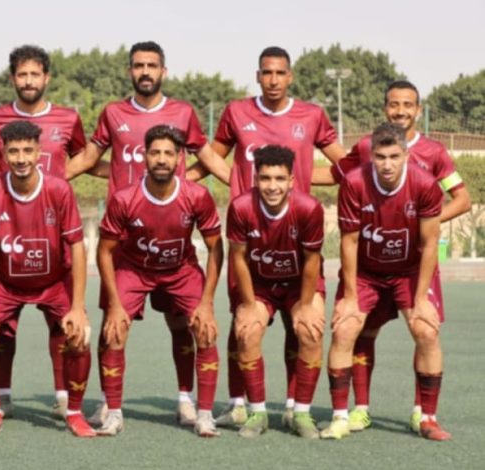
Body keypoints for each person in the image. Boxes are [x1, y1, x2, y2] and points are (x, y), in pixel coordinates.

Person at [66, 41, 220, 427]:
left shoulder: (183, 112)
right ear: (130, 71)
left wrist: (243, 185)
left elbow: (207, 157)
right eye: (138, 66)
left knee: (182, 325)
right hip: (125, 244)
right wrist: (47, 180)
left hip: (173, 243)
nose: (145, 71)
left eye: (152, 65)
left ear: (163, 71)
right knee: (112, 327)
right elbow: (90, 158)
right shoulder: (113, 112)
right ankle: (109, 403)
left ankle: (185, 400)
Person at [190, 46, 346, 428]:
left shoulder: (311, 115)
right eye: (266, 73)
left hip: (293, 230)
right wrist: (230, 180)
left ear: (290, 76)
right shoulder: (236, 111)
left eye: (280, 73)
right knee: (241, 323)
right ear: (257, 76)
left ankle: (294, 405)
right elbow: (213, 155)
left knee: (301, 324)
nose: (273, 80)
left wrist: (304, 179)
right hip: (252, 230)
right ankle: (238, 403)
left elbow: (343, 164)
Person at [318, 81, 471, 433]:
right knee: (355, 329)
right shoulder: (364, 150)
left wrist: (422, 223)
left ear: (419, 110)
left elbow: (461, 200)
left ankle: (423, 414)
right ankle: (356, 411)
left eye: (407, 105)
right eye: (394, 104)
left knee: (425, 330)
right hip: (369, 268)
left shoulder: (433, 157)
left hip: (412, 266)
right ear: (385, 108)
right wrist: (285, 178)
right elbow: (335, 175)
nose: (400, 111)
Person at [0, 45, 87, 417]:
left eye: (34, 74)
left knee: (62, 327)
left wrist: (61, 178)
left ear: (46, 78)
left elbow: (83, 157)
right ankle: (2, 397)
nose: (28, 81)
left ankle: (63, 396)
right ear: (13, 78)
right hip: (10, 235)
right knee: (2, 329)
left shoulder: (68, 118)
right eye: (22, 75)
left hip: (55, 235)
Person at [0, 121, 95, 437]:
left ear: (39, 153)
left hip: (54, 282)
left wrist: (78, 307)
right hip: (5, 284)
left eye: (27, 150)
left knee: (79, 335)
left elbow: (77, 246)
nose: (21, 158)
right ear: (3, 155)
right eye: (13, 152)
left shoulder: (59, 189)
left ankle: (74, 412)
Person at [96, 125, 224, 437]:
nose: (162, 159)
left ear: (180, 158)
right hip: (133, 269)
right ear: (145, 156)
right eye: (155, 153)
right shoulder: (125, 198)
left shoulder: (197, 196)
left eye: (168, 153)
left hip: (181, 270)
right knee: (113, 331)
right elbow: (104, 251)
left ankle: (199, 411)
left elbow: (216, 248)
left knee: (203, 330)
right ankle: (113, 412)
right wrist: (114, 305)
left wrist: (207, 303)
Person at [226, 145, 326, 439]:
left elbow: (312, 261)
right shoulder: (241, 207)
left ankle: (301, 413)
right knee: (247, 332)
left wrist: (306, 306)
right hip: (259, 285)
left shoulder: (309, 208)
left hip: (299, 284)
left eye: (280, 179)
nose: (272, 186)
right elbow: (238, 259)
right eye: (266, 178)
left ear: (291, 180)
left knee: (310, 331)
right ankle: (258, 414)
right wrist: (247, 304)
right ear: (255, 179)